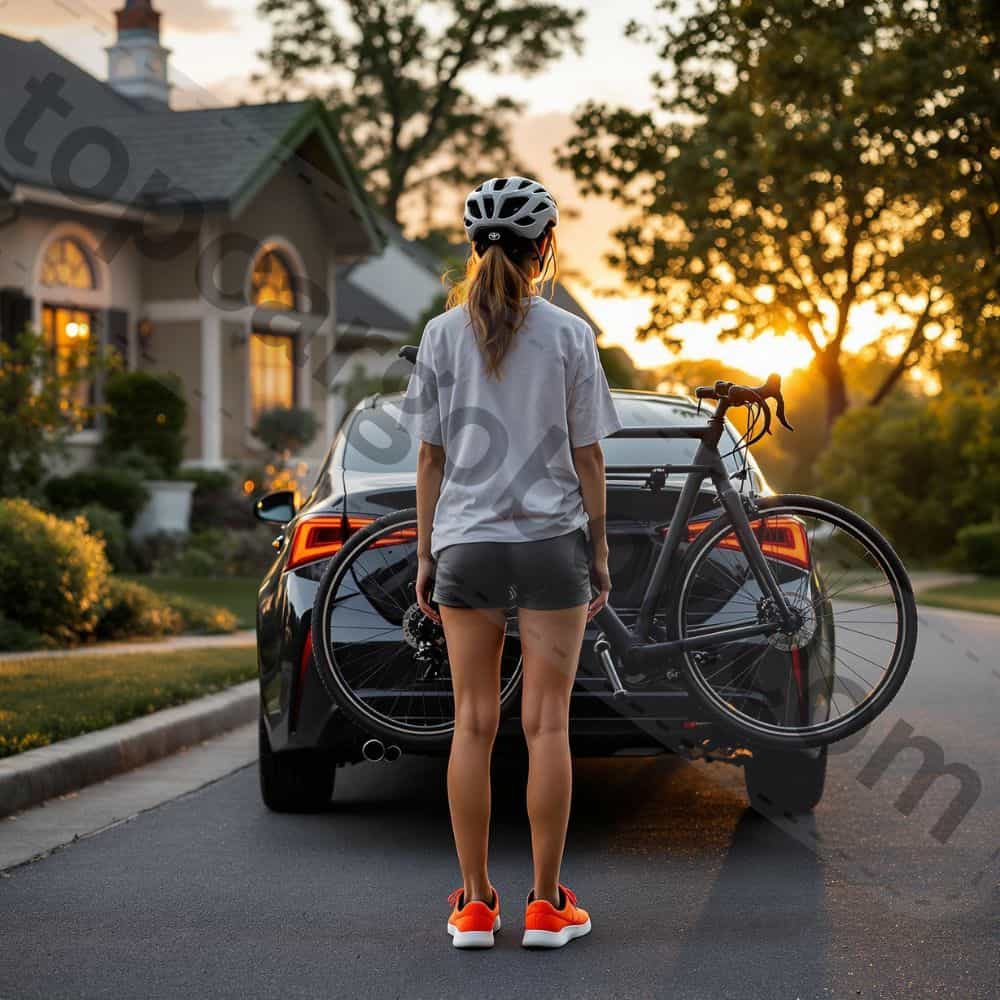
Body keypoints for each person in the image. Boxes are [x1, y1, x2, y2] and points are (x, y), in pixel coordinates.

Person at [401, 175, 623, 950]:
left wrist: (428, 554)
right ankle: (545, 904)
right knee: (547, 725)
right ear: (546, 248)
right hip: (550, 545)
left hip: (466, 543)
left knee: (472, 724)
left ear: (472, 248)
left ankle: (472, 905)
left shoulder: (438, 335)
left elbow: (429, 458)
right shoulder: (568, 335)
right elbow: (588, 455)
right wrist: (596, 552)